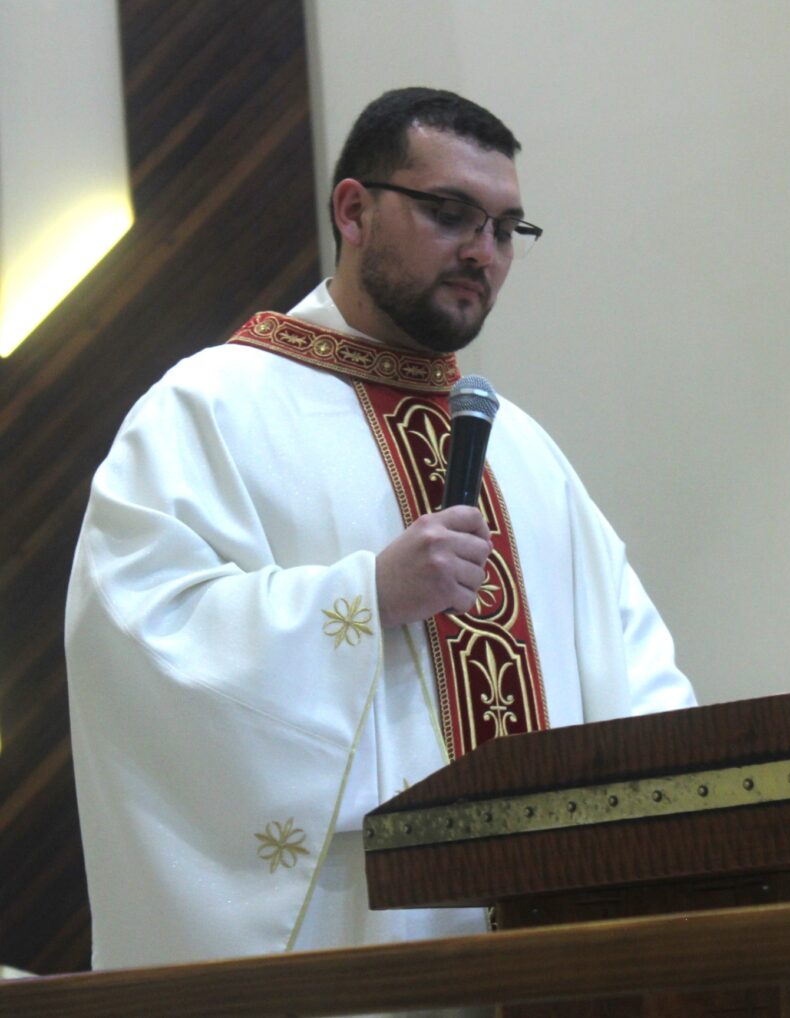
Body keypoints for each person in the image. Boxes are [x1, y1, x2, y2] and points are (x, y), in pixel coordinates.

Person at [65, 87, 695, 1008]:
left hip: (554, 949)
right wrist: (363, 599)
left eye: (507, 228)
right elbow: (139, 639)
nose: (483, 250)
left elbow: (633, 673)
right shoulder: (210, 410)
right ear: (354, 210)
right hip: (362, 942)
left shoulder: (523, 451)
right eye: (450, 215)